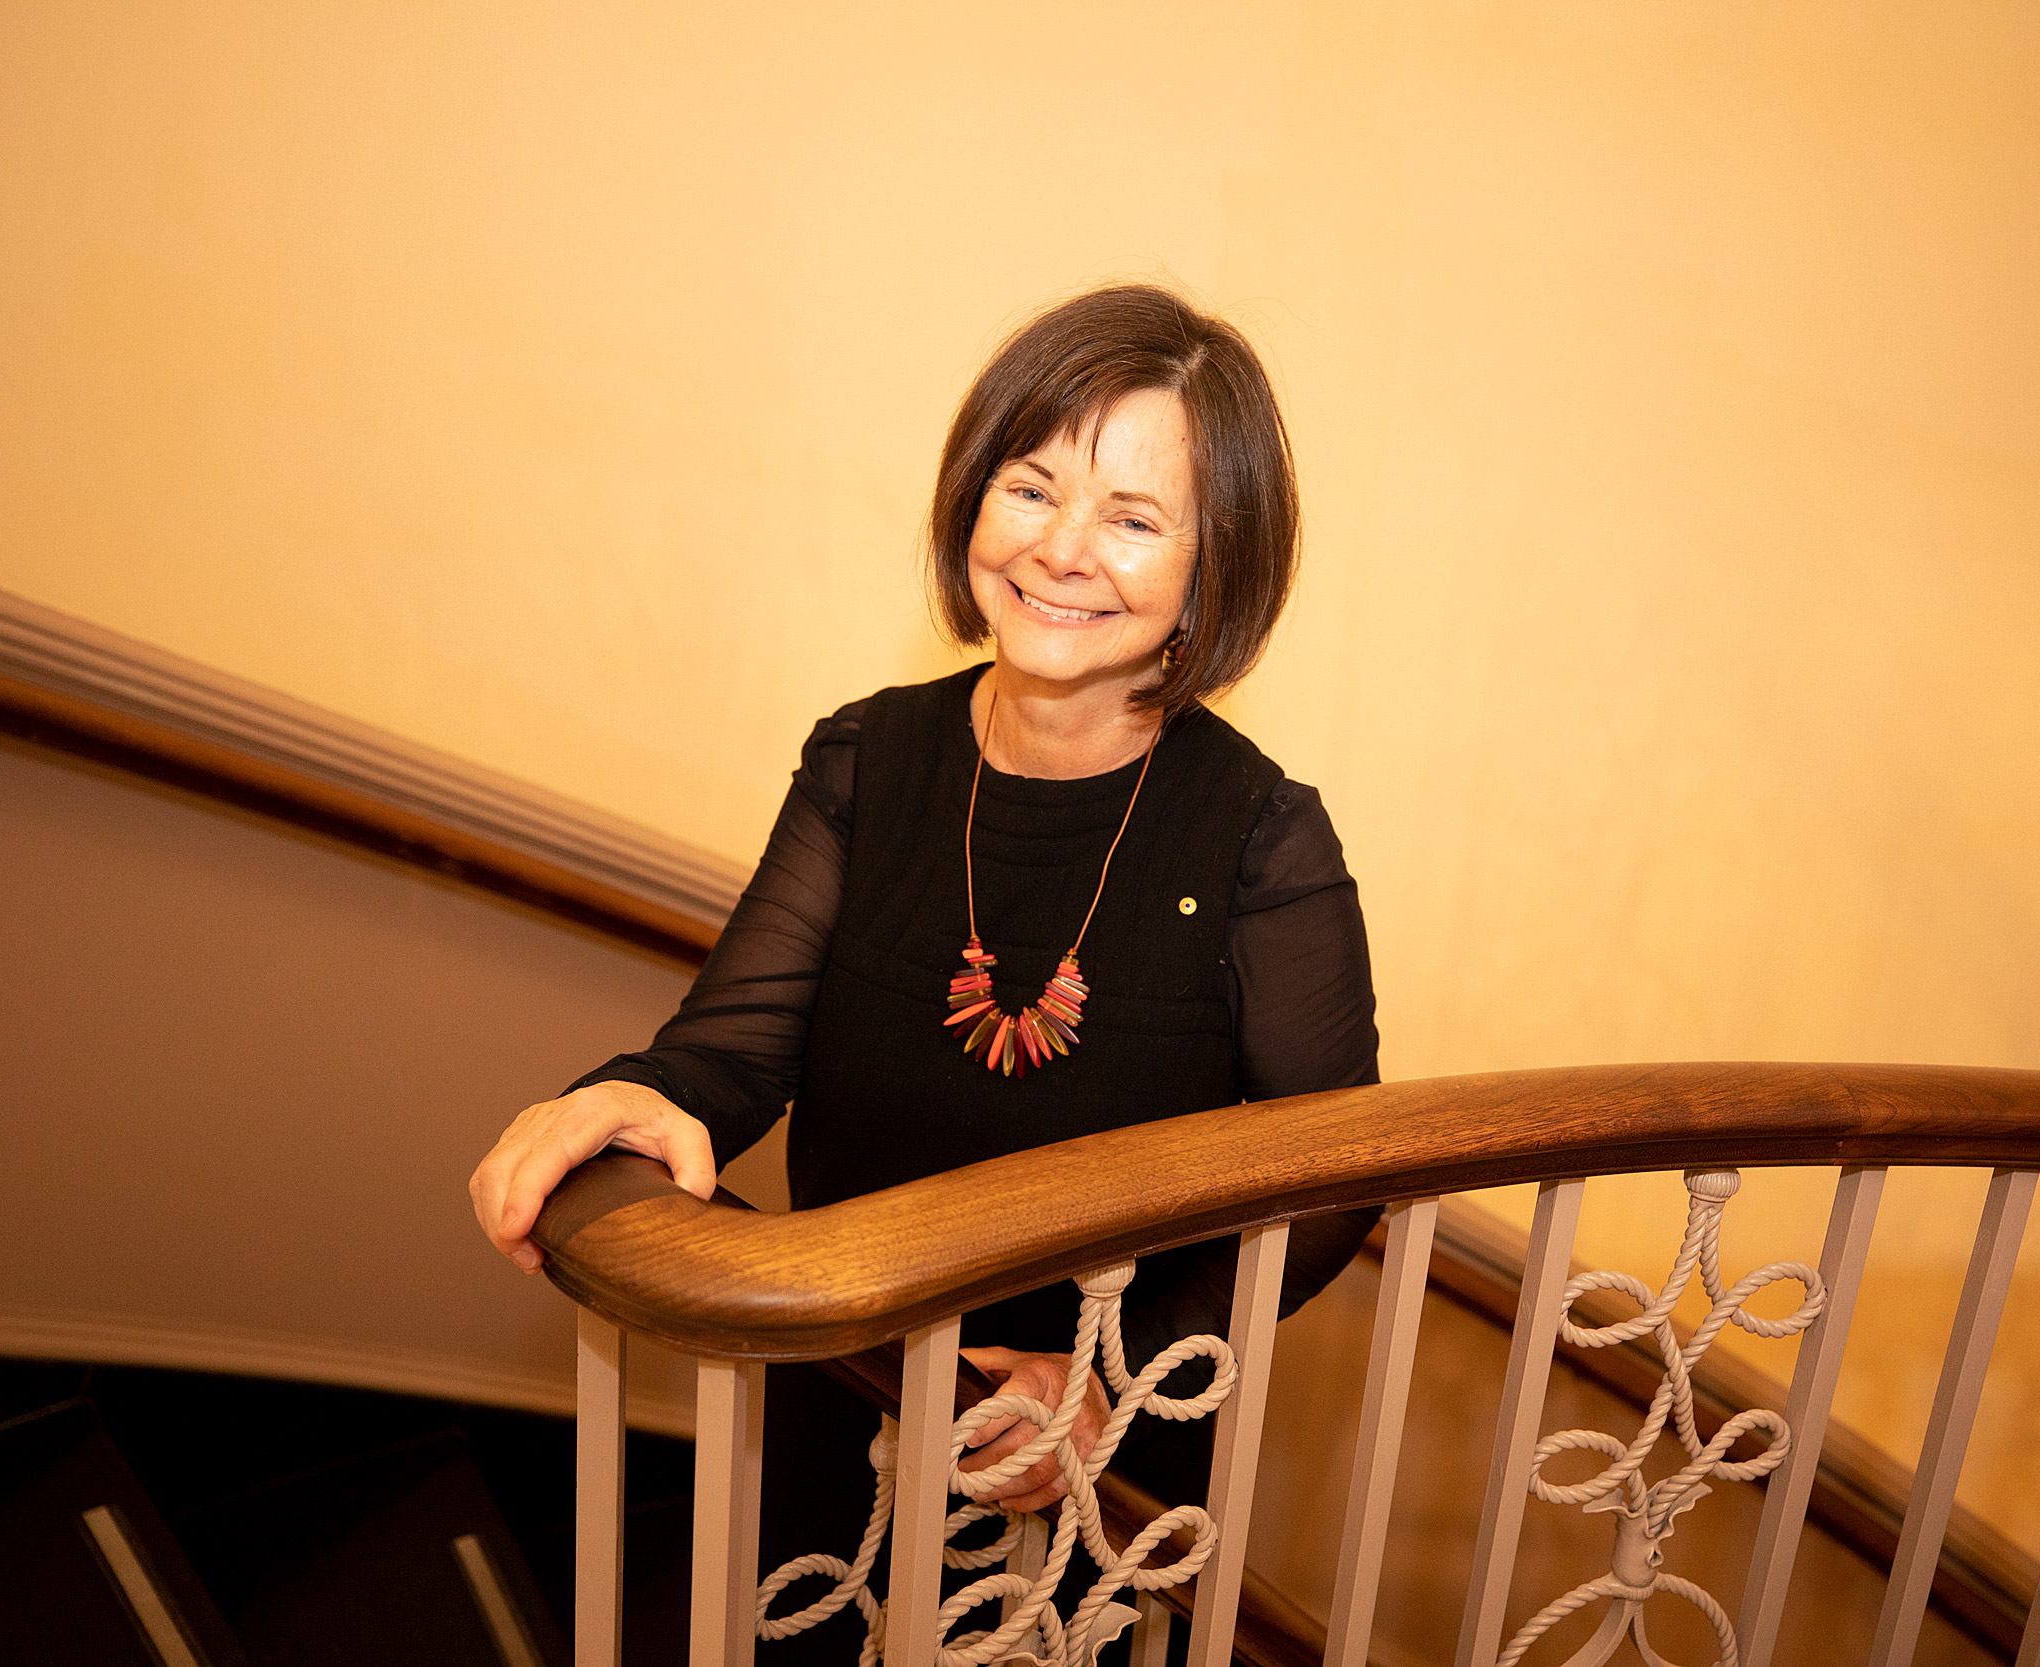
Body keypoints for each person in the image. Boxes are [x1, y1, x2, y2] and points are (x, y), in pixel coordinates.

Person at [468, 284, 1380, 1649]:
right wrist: (624, 1096)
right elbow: (732, 1050)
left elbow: (1333, 1178)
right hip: (847, 1396)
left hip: (1092, 1456)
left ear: (1214, 568)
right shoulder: (867, 757)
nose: (1065, 550)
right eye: (1032, 488)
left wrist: (1106, 1375)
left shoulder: (1265, 836)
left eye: (1134, 519)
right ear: (973, 501)